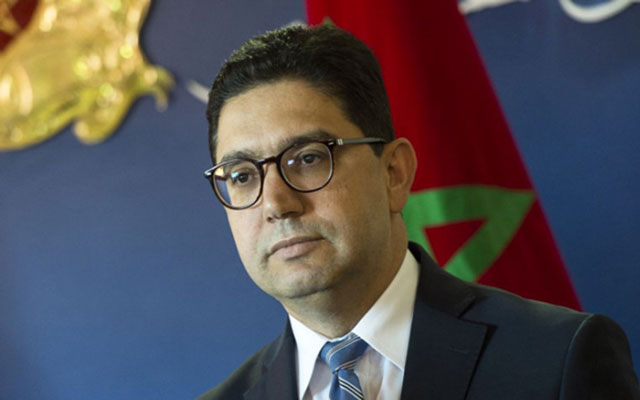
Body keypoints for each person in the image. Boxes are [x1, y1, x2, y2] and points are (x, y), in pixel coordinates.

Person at [197, 24, 639, 400]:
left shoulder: (557, 359)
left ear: (394, 173)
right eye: (242, 176)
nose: (276, 204)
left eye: (309, 158)